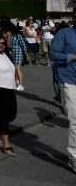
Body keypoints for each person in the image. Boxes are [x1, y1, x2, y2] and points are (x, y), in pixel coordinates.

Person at [51, 19, 76, 173]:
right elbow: (53, 54)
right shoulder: (64, 34)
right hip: (70, 80)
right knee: (75, 120)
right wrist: (71, 57)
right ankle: (74, 157)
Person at [5, 25, 27, 91]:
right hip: (12, 53)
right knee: (14, 68)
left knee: (17, 67)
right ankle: (16, 81)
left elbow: (23, 45)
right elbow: (8, 45)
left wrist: (26, 54)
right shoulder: (10, 36)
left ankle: (21, 84)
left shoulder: (18, 36)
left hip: (18, 52)